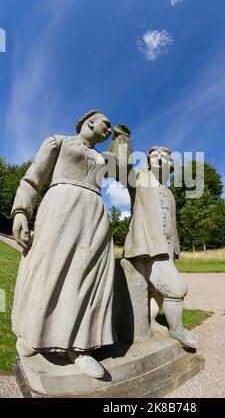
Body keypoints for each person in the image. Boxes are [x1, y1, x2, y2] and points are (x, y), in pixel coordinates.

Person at [11, 110, 129, 379]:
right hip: (60, 208)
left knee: (87, 278)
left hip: (95, 216)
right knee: (47, 269)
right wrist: (21, 211)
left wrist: (122, 140)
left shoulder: (103, 158)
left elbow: (124, 169)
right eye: (106, 125)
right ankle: (31, 332)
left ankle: (81, 347)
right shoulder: (58, 142)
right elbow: (33, 178)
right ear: (90, 120)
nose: (108, 130)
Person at [123, 146, 199, 349]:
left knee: (155, 292)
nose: (159, 159)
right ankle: (177, 330)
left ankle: (152, 323)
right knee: (176, 287)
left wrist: (174, 247)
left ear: (170, 165)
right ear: (148, 162)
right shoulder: (140, 180)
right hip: (148, 249)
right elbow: (123, 167)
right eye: (154, 156)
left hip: (166, 249)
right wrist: (123, 141)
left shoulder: (169, 193)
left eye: (164, 157)